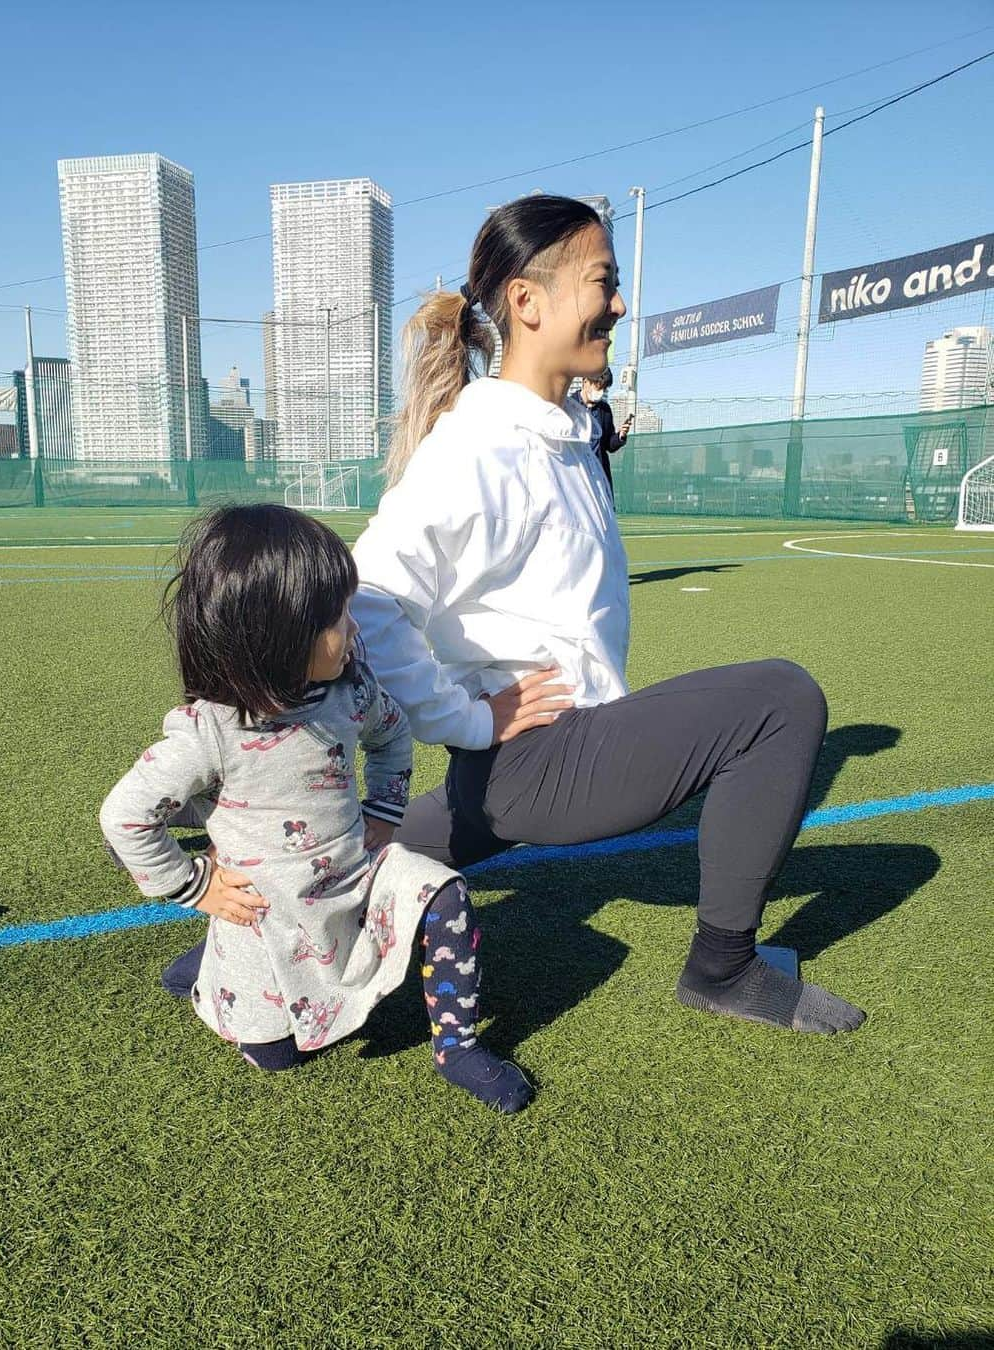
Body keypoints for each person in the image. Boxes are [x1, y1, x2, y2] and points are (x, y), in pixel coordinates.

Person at [350, 194, 865, 1037]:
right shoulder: (480, 449)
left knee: (355, 857)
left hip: (512, 773)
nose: (620, 305)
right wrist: (465, 719)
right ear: (527, 302)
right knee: (781, 700)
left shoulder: (558, 428)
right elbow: (365, 595)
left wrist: (588, 416)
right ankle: (724, 970)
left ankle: (262, 911)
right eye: (604, 283)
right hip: (539, 762)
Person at [102, 505, 533, 1112]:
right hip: (268, 908)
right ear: (275, 635)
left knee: (446, 892)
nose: (354, 629)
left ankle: (457, 1047)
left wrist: (384, 813)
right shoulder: (212, 729)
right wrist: (195, 887)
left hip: (355, 871)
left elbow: (392, 736)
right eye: (338, 617)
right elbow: (124, 816)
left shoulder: (351, 688)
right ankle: (215, 963)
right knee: (275, 1058)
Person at [578, 367, 631, 498]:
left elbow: (609, 445)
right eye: (598, 387)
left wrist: (620, 436)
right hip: (576, 476)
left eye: (604, 389)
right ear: (585, 381)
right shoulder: (569, 406)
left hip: (599, 475)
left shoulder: (605, 410)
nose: (600, 392)